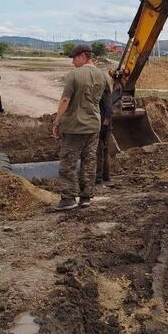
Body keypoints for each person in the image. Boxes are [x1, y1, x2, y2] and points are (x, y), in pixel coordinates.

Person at [51, 43, 110, 211]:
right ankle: (85, 197)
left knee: (68, 163)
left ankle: (68, 198)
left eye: (75, 58)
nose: (73, 62)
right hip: (93, 126)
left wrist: (57, 122)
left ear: (83, 56)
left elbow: (65, 100)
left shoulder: (74, 75)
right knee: (89, 161)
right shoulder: (103, 75)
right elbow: (107, 100)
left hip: (75, 126)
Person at [96, 85, 112, 184]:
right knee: (105, 151)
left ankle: (98, 176)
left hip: (103, 125)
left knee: (99, 151)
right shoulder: (106, 94)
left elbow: (109, 110)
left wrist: (104, 127)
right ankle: (106, 176)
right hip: (105, 125)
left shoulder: (104, 94)